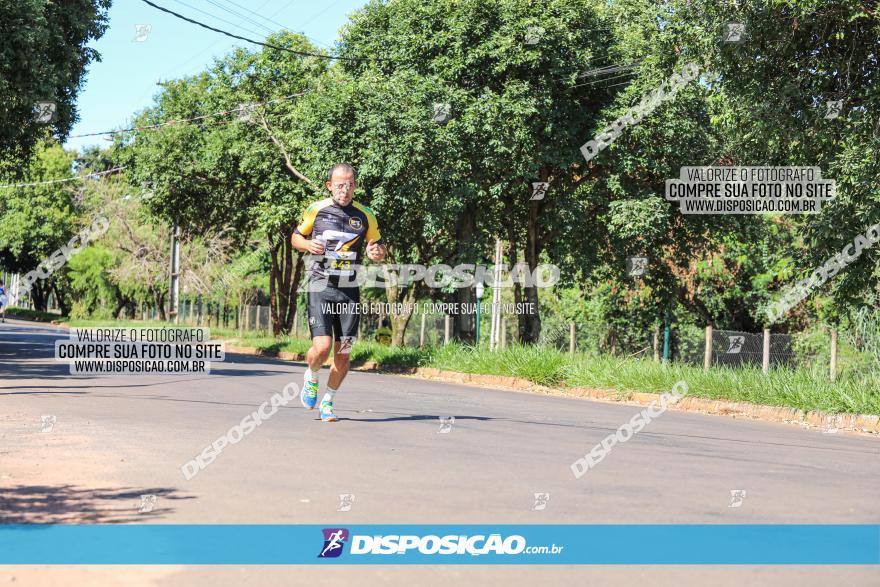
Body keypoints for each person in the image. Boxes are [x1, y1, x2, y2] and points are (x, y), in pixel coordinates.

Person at [291, 163, 385, 422]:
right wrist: (307, 244)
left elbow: (377, 246)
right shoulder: (316, 209)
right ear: (329, 185)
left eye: (349, 184)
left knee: (343, 353)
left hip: (349, 290)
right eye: (339, 184)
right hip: (320, 285)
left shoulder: (366, 215)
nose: (344, 189)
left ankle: (328, 402)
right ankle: (311, 376)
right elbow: (295, 237)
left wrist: (375, 252)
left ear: (354, 185)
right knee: (321, 348)